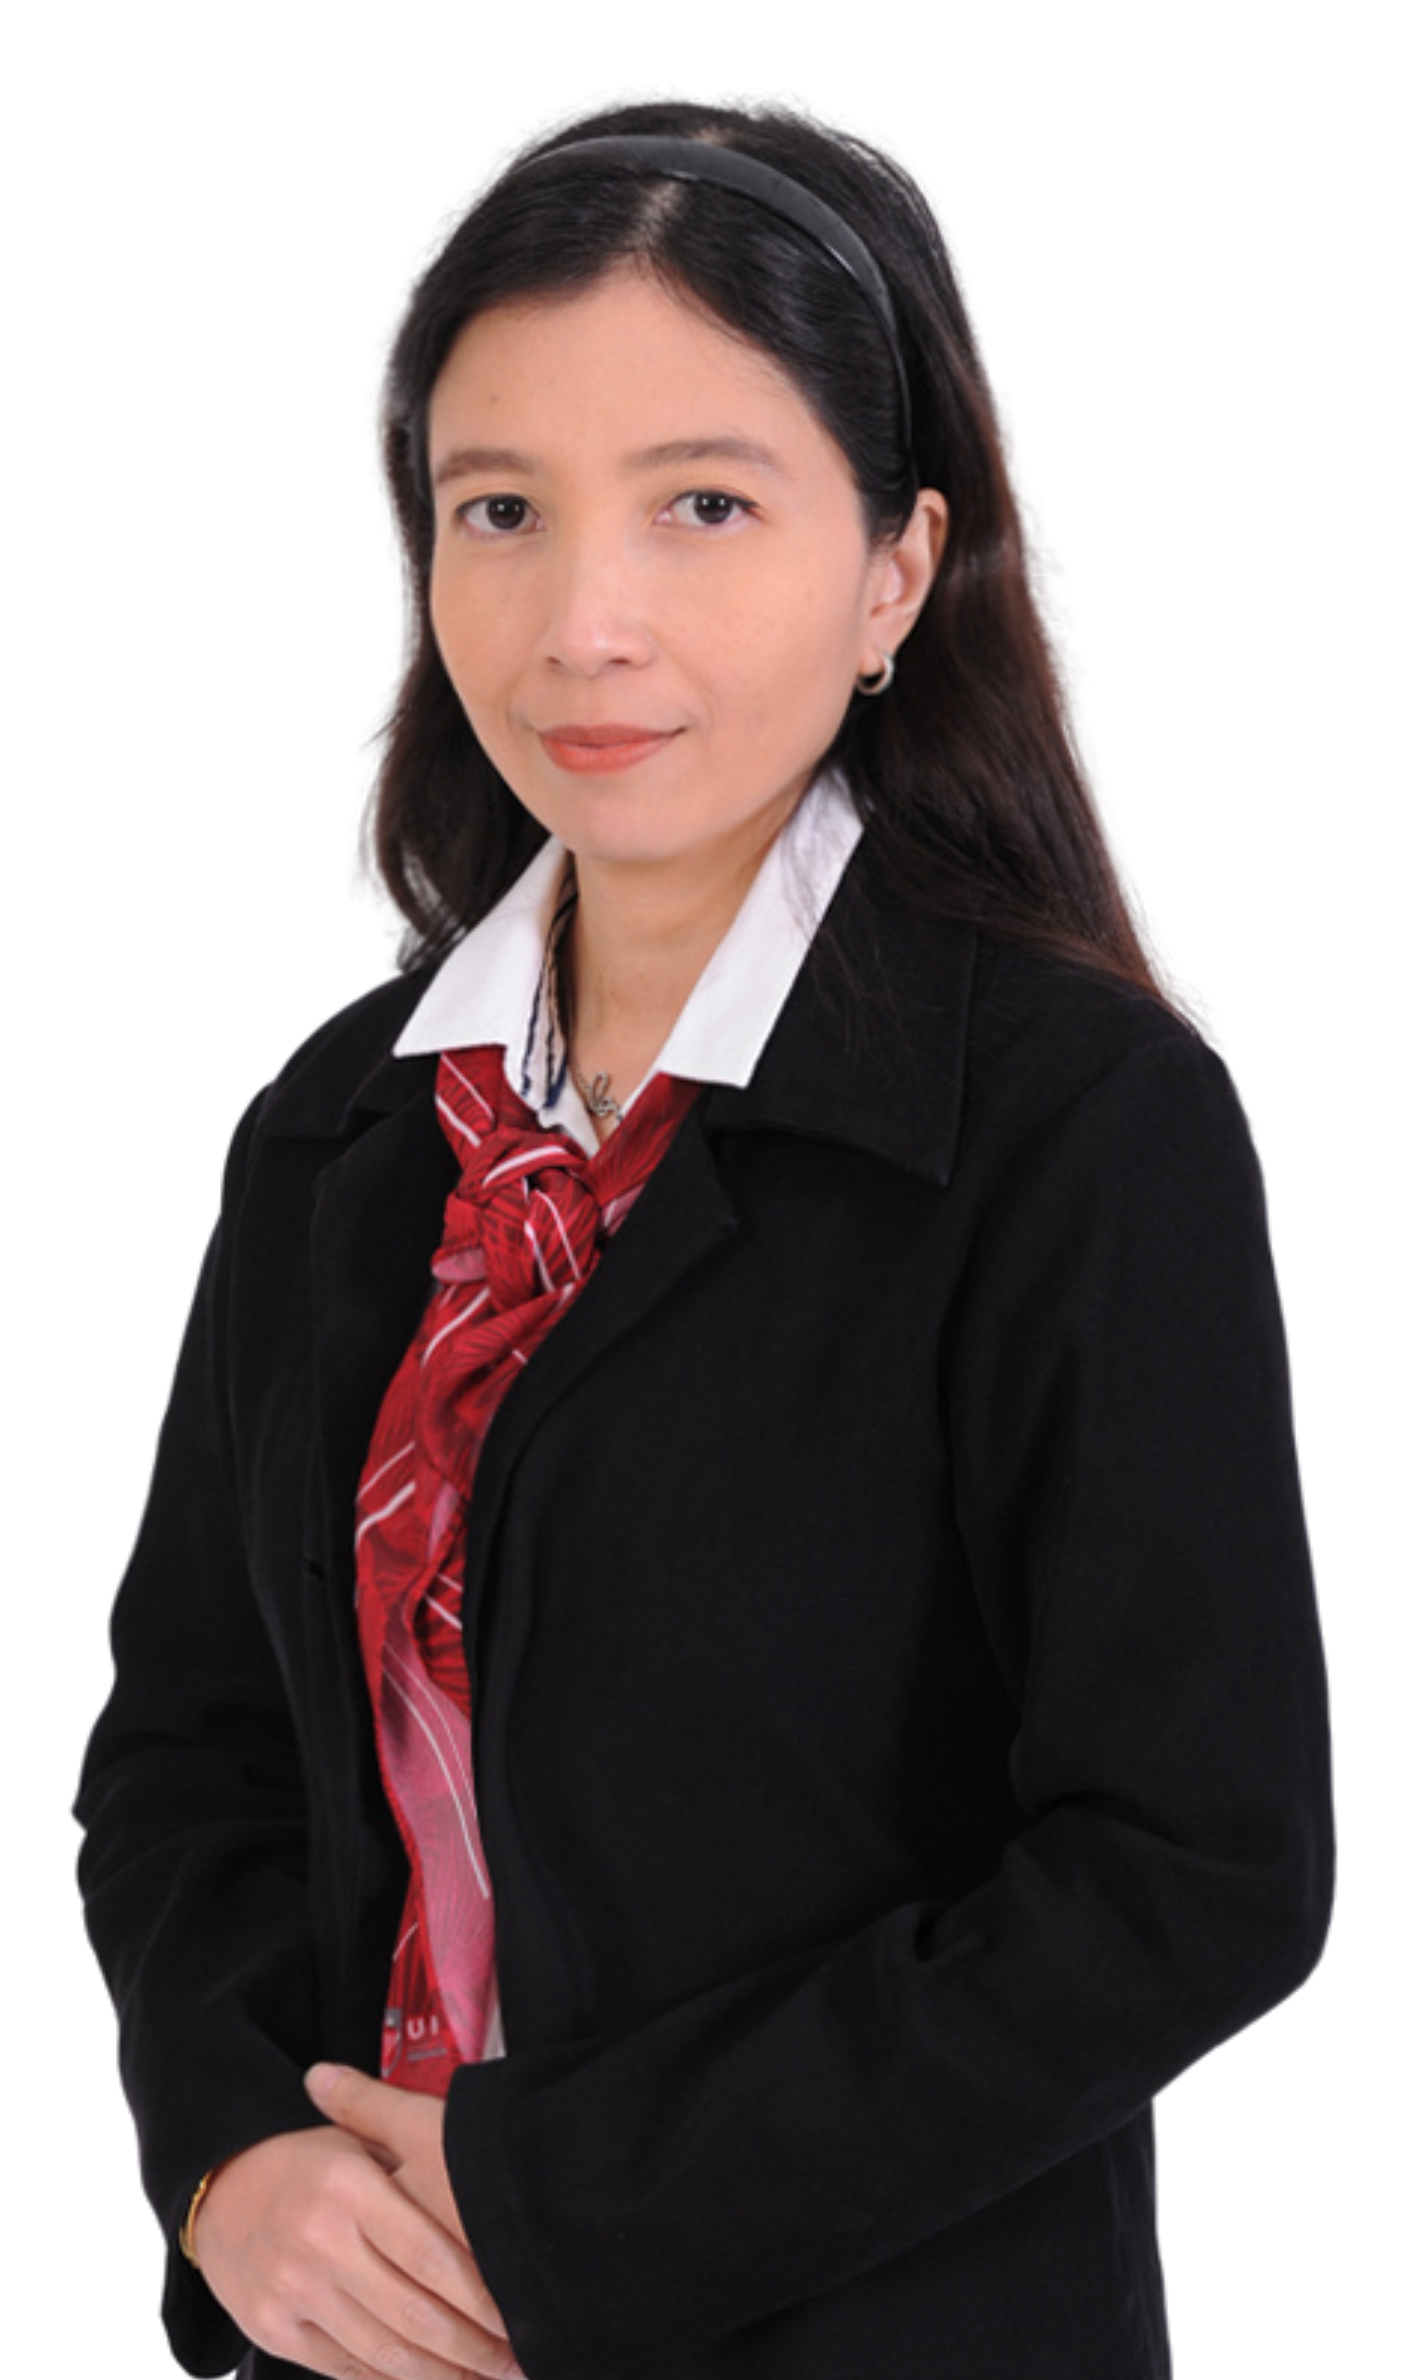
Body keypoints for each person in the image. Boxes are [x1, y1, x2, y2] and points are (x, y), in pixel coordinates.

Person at [74, 86, 1334, 2380]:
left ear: (893, 569)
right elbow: (189, 1739)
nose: (585, 622)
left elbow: (1187, 1866)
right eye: (500, 510)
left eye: (704, 504)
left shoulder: (1071, 1119)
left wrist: (559, 2202)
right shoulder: (351, 1123)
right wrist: (230, 2150)